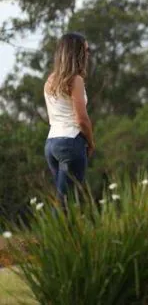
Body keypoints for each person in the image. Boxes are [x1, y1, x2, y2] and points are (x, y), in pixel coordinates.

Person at [44, 32, 95, 205]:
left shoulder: (50, 80)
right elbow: (81, 119)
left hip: (51, 144)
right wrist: (91, 142)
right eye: (86, 50)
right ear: (77, 53)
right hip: (71, 142)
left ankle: (62, 231)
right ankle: (54, 232)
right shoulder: (76, 80)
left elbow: (52, 117)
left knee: (63, 199)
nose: (88, 55)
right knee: (67, 203)